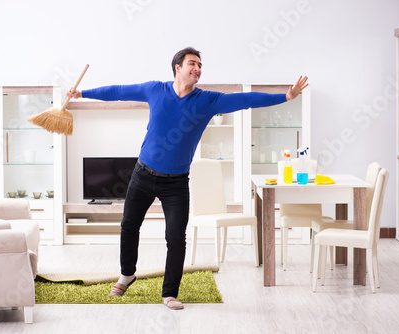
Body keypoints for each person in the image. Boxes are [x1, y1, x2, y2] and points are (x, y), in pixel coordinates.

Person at [67, 47, 308, 310]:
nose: (198, 69)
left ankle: (169, 293)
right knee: (128, 225)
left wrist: (286, 96)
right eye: (192, 63)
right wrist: (82, 93)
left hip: (176, 183)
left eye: (200, 65)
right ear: (177, 68)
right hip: (143, 174)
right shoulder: (154, 90)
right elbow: (118, 92)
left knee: (175, 237)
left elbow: (246, 99)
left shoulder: (208, 101)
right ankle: (127, 274)